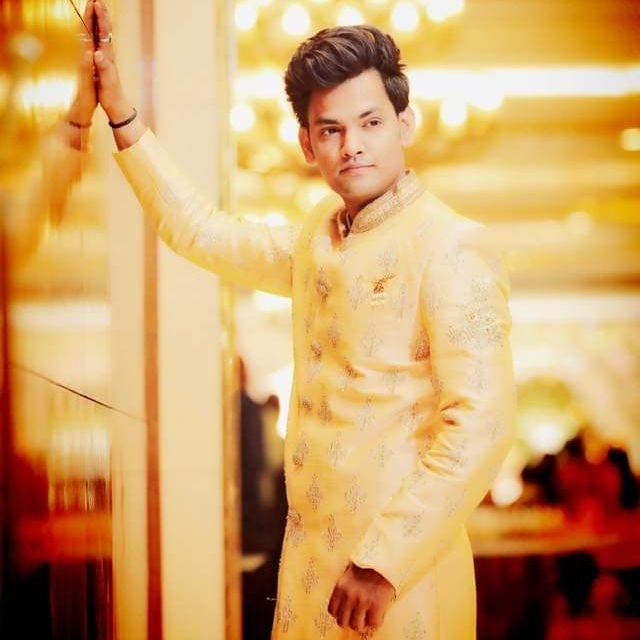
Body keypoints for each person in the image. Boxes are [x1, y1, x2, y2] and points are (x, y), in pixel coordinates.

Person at [78, 2, 517, 637]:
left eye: (371, 122)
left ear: (405, 123)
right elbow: (201, 231)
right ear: (308, 143)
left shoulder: (451, 246)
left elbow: (483, 425)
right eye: (331, 129)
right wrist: (120, 111)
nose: (353, 145)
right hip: (312, 566)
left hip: (400, 576)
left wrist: (383, 563)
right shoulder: (319, 238)